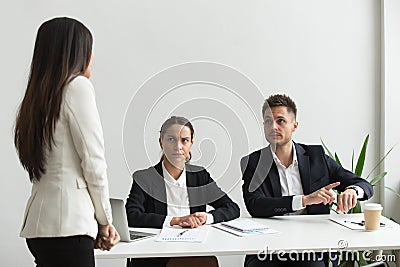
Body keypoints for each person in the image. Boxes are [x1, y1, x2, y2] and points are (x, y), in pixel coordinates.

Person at [14, 17, 120, 267]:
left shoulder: (37, 97)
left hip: (40, 227)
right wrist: (104, 221)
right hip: (69, 226)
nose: (92, 57)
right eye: (89, 50)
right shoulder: (77, 87)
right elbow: (94, 162)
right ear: (76, 53)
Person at [241, 94, 373, 267]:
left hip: (313, 246)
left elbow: (364, 185)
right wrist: (304, 200)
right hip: (269, 248)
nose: (273, 127)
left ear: (294, 125)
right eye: (268, 121)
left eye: (280, 121)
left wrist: (352, 191)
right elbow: (255, 205)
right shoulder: (253, 162)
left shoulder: (316, 157)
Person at [126, 116, 240, 267]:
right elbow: (131, 215)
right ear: (161, 142)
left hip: (194, 249)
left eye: (184, 140)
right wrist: (175, 221)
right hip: (154, 253)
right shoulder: (144, 177)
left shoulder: (200, 176)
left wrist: (206, 218)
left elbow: (232, 208)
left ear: (191, 144)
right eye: (171, 139)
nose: (178, 146)